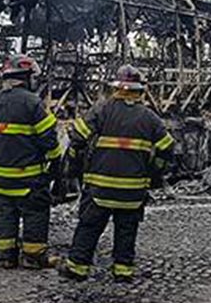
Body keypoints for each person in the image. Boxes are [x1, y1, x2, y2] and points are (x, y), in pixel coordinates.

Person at [60, 65, 174, 282]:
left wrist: (76, 165)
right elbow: (167, 148)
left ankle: (77, 268)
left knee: (89, 227)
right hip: (132, 191)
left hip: (99, 188)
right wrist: (154, 172)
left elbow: (78, 137)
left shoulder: (102, 110)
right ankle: (123, 271)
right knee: (126, 231)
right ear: (140, 91)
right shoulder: (150, 118)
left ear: (116, 89)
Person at [0, 55, 62, 269]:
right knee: (35, 213)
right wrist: (56, 162)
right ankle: (33, 257)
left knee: (5, 213)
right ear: (27, 78)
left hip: (0, 176)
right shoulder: (33, 103)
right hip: (28, 177)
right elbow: (48, 139)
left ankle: (7, 256)